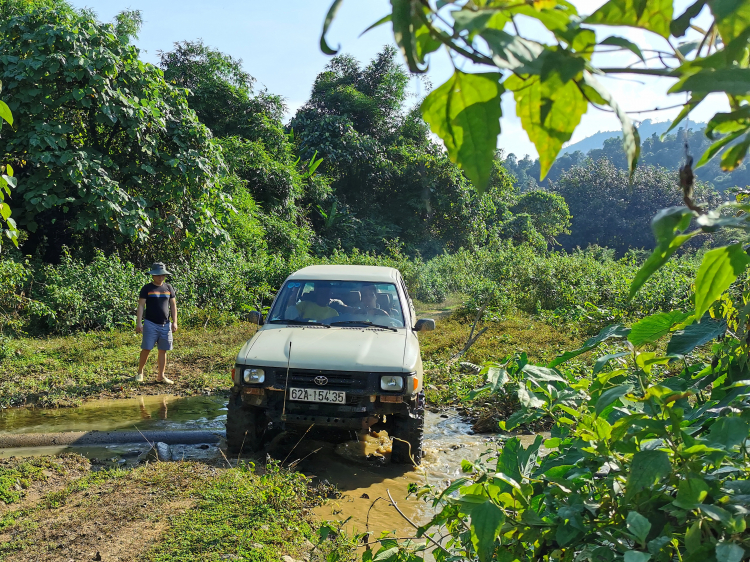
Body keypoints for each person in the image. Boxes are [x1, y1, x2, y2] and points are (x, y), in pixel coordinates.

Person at [135, 262, 177, 384]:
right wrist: (139, 323)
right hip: (150, 323)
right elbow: (141, 306)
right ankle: (140, 372)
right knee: (146, 348)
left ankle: (161, 376)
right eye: (158, 275)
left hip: (165, 324)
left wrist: (175, 322)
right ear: (153, 275)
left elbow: (173, 306)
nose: (160, 277)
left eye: (163, 275)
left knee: (163, 350)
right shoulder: (147, 288)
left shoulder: (169, 288)